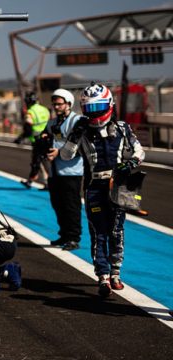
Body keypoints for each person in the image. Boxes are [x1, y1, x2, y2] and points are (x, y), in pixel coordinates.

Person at [61, 82, 144, 298]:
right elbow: (66, 155)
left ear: (109, 105)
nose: (95, 113)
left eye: (98, 108)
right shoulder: (81, 130)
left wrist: (130, 163)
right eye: (90, 109)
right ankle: (103, 276)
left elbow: (139, 152)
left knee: (116, 231)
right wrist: (74, 135)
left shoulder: (123, 128)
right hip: (94, 187)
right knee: (98, 233)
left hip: (119, 186)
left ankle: (116, 273)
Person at [44, 89, 84, 251]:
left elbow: (83, 146)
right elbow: (46, 139)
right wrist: (43, 145)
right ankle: (64, 234)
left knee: (71, 205)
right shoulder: (52, 123)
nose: (56, 107)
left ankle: (73, 238)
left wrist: (59, 152)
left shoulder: (77, 121)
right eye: (54, 104)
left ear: (68, 103)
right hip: (54, 171)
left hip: (71, 172)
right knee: (57, 204)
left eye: (59, 104)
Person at [16, 92, 51, 189]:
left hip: (37, 140)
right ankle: (38, 181)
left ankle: (33, 180)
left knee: (37, 161)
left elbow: (28, 129)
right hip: (47, 138)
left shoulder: (30, 112)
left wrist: (20, 138)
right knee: (43, 160)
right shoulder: (45, 109)